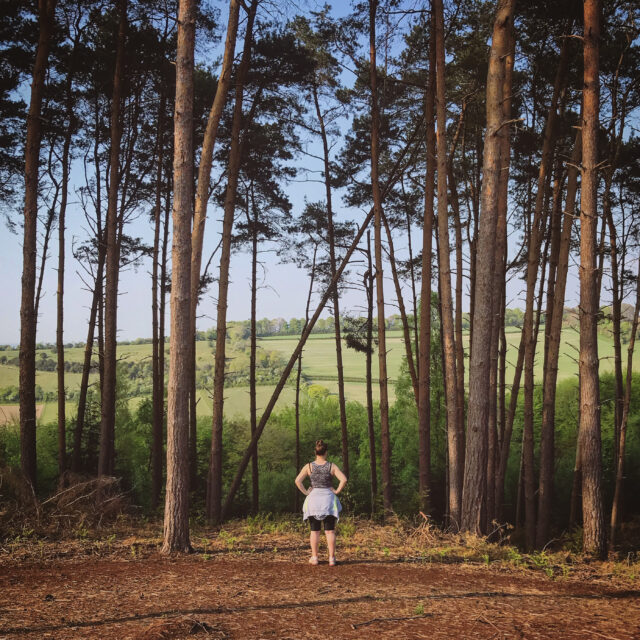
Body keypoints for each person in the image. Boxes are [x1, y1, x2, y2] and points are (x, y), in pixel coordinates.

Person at [295, 439, 347, 566]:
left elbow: (297, 481)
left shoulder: (309, 466)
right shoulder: (331, 466)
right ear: (326, 452)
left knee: (315, 531)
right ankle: (332, 558)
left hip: (313, 501)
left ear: (315, 452)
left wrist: (306, 493)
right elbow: (344, 479)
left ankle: (315, 557)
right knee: (330, 531)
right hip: (328, 500)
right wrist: (336, 491)